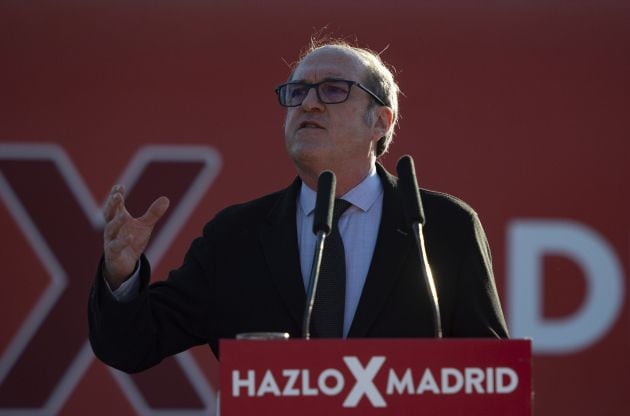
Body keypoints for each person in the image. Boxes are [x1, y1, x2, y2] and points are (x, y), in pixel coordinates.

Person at [88, 39, 508, 373]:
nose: (308, 103)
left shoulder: (441, 228)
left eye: (333, 89)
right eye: (297, 92)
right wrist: (120, 274)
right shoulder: (236, 237)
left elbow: (491, 376)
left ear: (380, 121)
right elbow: (131, 346)